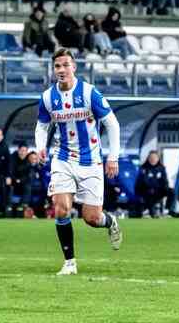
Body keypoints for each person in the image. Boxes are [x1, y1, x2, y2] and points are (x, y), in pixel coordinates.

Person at [35, 48, 122, 275]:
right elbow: (42, 126)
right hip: (62, 159)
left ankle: (110, 221)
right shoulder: (47, 97)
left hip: (91, 161)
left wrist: (113, 157)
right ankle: (70, 263)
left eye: (65, 65)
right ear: (53, 70)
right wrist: (40, 147)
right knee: (61, 209)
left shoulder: (89, 93)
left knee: (91, 219)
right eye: (57, 66)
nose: (61, 70)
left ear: (74, 67)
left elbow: (112, 124)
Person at [136, 151, 170, 218]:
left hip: (159, 191)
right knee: (148, 192)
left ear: (158, 159)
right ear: (148, 158)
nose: (153, 159)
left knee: (172, 191)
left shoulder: (162, 168)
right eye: (151, 157)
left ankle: (166, 210)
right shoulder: (143, 168)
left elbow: (165, 181)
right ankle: (147, 211)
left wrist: (165, 189)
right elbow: (141, 182)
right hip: (146, 191)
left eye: (154, 157)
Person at [9, 143, 32, 216]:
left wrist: (20, 180)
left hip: (22, 182)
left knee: (28, 186)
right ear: (18, 150)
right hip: (13, 181)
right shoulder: (12, 159)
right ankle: (9, 207)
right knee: (8, 186)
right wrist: (15, 179)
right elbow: (10, 171)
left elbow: (28, 175)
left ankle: (23, 206)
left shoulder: (28, 160)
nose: (23, 153)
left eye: (25, 151)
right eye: (21, 151)